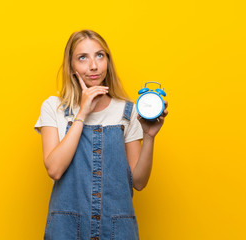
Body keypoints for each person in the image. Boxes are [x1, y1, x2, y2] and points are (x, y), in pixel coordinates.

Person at [34, 29, 168, 240]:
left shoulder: (128, 111)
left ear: (108, 61)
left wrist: (149, 137)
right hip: (66, 231)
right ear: (71, 66)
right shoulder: (54, 107)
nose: (93, 66)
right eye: (82, 58)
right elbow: (54, 169)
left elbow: (139, 182)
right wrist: (83, 112)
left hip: (117, 231)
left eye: (99, 55)